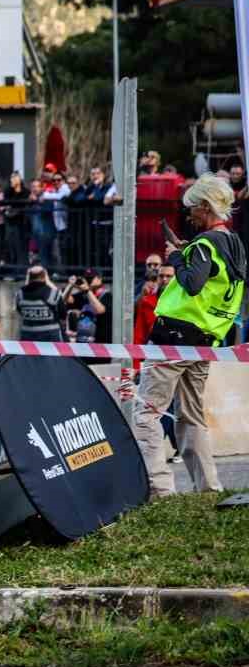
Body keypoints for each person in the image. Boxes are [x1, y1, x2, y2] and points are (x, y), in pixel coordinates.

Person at [134, 174, 246, 496]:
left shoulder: (205, 243)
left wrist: (175, 257)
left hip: (173, 338)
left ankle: (160, 490)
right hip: (205, 341)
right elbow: (209, 277)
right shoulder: (235, 244)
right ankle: (208, 488)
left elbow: (193, 284)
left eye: (192, 207)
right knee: (192, 416)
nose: (189, 214)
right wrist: (188, 255)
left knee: (146, 414)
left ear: (205, 206)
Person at [15, 265, 64, 342]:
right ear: (45, 276)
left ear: (29, 277)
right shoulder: (54, 293)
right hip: (50, 336)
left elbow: (20, 311)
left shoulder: (20, 294)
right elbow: (63, 315)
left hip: (28, 336)